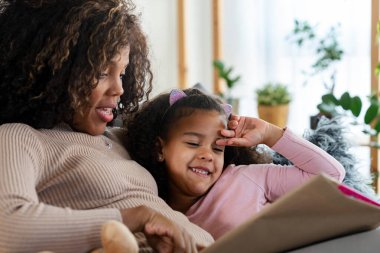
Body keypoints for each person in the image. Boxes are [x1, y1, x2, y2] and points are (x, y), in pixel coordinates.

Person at [0, 1, 214, 252]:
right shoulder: (18, 137)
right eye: (102, 72)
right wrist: (136, 218)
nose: (119, 89)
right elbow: (8, 225)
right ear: (55, 72)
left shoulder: (124, 138)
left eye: (122, 74)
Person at [125, 88, 346, 240]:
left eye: (218, 148)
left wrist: (270, 133)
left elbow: (331, 175)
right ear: (159, 149)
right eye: (193, 143)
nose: (207, 155)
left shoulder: (245, 178)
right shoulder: (152, 208)